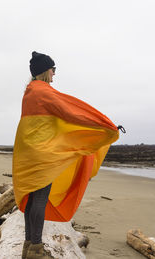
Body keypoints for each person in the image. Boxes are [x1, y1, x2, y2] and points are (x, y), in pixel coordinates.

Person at [13, 51, 120, 259]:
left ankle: (29, 246)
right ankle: (36, 248)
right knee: (40, 199)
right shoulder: (44, 92)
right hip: (43, 155)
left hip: (28, 154)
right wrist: (103, 125)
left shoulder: (29, 92)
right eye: (53, 69)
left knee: (32, 199)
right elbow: (72, 112)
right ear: (45, 70)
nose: (54, 74)